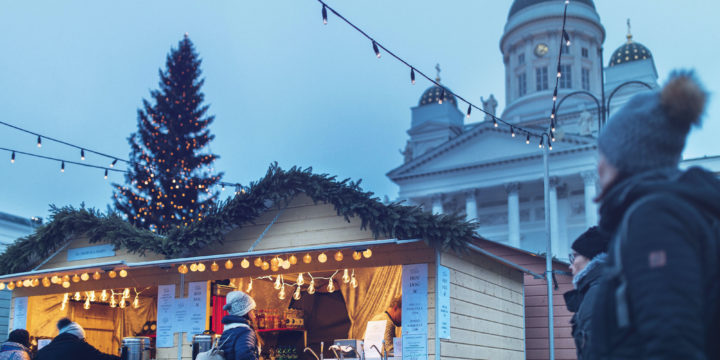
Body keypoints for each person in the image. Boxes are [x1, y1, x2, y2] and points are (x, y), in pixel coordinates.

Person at [590, 71, 720, 358]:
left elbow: (672, 341)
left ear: (626, 157)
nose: (598, 166)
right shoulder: (668, 209)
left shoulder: (654, 218)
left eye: (604, 153)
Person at [563, 227, 608, 359]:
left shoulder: (597, 293)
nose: (570, 266)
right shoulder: (600, 288)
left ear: (591, 258)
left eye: (575, 256)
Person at [34, 318, 120, 360]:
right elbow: (102, 358)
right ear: (78, 336)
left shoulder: (42, 352)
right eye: (83, 339)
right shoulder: (79, 346)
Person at [218, 291, 260, 360]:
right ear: (246, 312)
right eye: (252, 311)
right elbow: (244, 355)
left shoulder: (228, 330)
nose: (254, 315)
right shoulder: (245, 332)